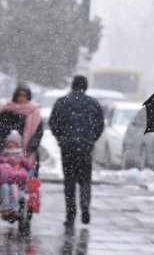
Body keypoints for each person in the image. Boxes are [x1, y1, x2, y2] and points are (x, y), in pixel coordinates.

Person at [49, 75, 104, 227]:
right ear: (85, 87)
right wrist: (91, 139)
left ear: (72, 86)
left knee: (70, 181)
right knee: (85, 179)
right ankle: (85, 206)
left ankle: (70, 214)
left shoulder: (62, 102)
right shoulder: (93, 103)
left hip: (68, 147)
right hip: (85, 147)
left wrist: (61, 138)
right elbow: (100, 125)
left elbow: (53, 123)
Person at [0, 84, 43, 172]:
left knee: (28, 179)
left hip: (28, 152)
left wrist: (31, 146)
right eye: (20, 95)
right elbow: (2, 130)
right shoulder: (7, 111)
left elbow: (38, 132)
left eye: (25, 96)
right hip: (7, 153)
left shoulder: (34, 111)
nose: (22, 98)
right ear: (15, 96)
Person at [0, 130, 34, 218]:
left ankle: (14, 209)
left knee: (14, 188)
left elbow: (29, 168)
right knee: (5, 188)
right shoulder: (3, 157)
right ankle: (5, 209)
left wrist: (30, 176)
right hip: (4, 182)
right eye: (9, 144)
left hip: (16, 182)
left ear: (17, 145)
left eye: (13, 144)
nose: (11, 147)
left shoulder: (20, 158)